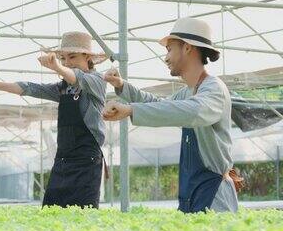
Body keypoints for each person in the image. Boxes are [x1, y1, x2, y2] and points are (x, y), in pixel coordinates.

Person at [102, 17, 239, 213]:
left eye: (169, 49)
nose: (166, 58)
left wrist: (131, 110)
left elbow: (193, 111)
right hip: (192, 191)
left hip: (214, 193)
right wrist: (122, 86)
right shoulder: (189, 92)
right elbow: (161, 106)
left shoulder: (214, 89)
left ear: (187, 47)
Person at [0, 31, 109, 208]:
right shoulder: (63, 88)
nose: (67, 62)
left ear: (87, 57)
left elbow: (78, 78)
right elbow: (30, 88)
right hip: (63, 159)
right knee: (51, 210)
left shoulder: (97, 81)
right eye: (63, 59)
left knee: (83, 213)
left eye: (72, 57)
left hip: (87, 160)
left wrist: (58, 68)